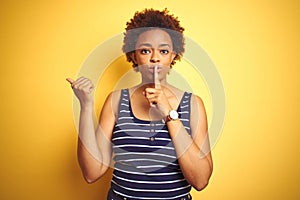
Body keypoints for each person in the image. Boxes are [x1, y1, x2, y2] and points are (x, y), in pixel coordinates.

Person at [67, 8, 213, 200]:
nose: (154, 58)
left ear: (173, 55)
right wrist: (85, 106)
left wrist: (170, 114)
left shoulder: (193, 104)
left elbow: (201, 180)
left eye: (163, 50)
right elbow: (91, 173)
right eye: (145, 50)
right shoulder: (116, 100)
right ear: (134, 56)